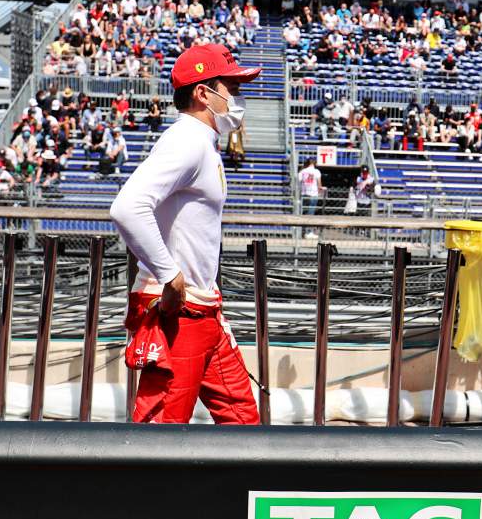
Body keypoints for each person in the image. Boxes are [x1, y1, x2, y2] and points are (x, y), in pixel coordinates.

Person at [109, 43, 262, 425]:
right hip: (182, 315)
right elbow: (127, 207)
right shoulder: (188, 141)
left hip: (203, 310)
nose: (237, 98)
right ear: (203, 92)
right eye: (232, 87)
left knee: (243, 421)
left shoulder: (199, 142)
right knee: (161, 432)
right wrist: (169, 275)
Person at [298, 157, 323, 239]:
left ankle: (303, 231)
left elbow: (298, 181)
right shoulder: (316, 171)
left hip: (304, 194)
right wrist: (320, 190)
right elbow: (319, 185)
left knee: (304, 213)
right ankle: (308, 232)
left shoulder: (302, 171)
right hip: (313, 194)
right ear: (314, 163)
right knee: (310, 214)